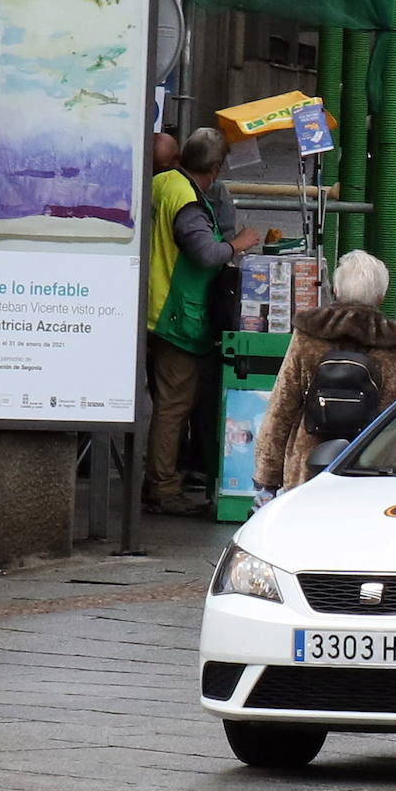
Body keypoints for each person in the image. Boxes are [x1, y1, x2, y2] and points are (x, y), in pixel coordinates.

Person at [145, 129, 262, 515]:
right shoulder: (187, 201)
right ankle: (162, 487)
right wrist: (239, 243)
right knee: (174, 405)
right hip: (176, 313)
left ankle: (163, 479)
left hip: (161, 308)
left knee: (171, 401)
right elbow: (206, 253)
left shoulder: (163, 181)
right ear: (213, 168)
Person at [252, 252, 396, 504]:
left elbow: (282, 405)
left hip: (307, 468)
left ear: (336, 290)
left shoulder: (309, 335)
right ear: (381, 296)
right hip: (372, 473)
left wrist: (266, 477)